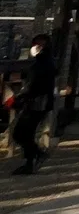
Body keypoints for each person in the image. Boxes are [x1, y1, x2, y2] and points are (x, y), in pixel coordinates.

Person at [12, 33, 56, 175]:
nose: (34, 48)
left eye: (38, 45)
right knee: (24, 133)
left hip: (37, 103)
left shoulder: (44, 63)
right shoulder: (42, 62)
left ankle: (34, 157)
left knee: (22, 133)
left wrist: (24, 97)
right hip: (37, 102)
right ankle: (33, 158)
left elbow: (36, 85)